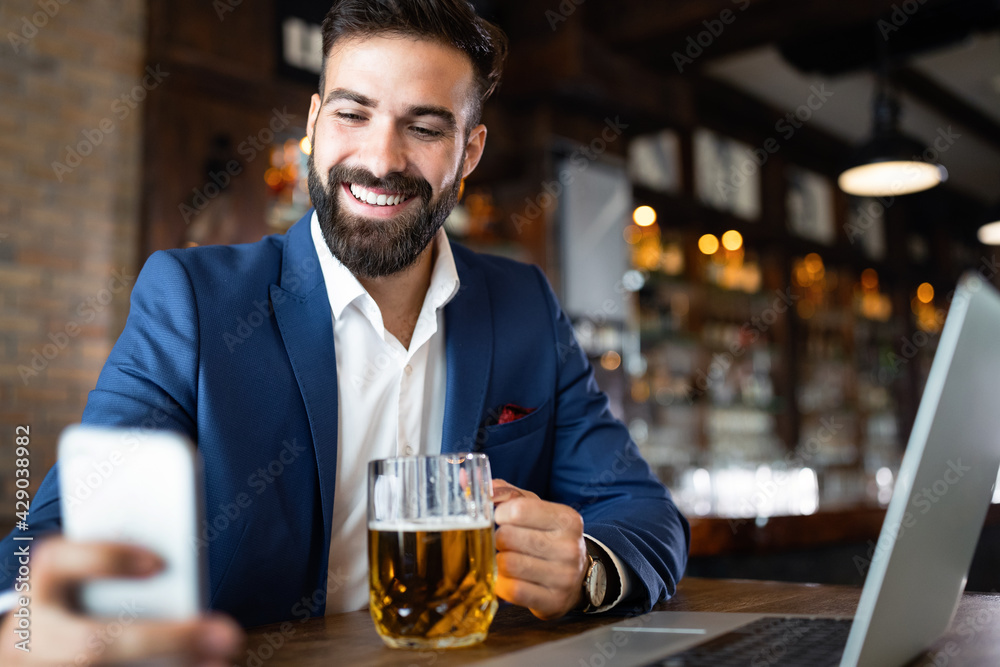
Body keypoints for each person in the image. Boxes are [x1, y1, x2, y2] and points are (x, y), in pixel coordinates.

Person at [0, 1, 689, 664]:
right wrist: (21, 619)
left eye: (424, 127)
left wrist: (586, 566)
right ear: (313, 122)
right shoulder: (194, 301)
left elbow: (643, 510)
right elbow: (59, 528)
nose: (381, 158)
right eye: (353, 113)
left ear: (470, 150)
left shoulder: (523, 305)